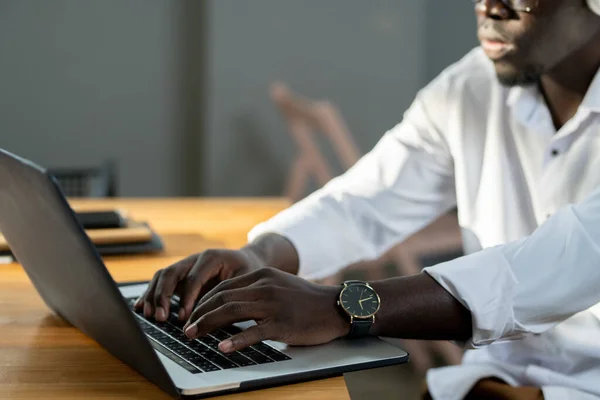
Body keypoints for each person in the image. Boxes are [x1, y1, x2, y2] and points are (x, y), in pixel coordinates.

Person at [136, 0, 600, 398]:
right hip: (493, 380)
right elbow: (367, 199)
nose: (489, 7)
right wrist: (259, 254)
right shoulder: (470, 87)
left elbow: (562, 261)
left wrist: (344, 306)